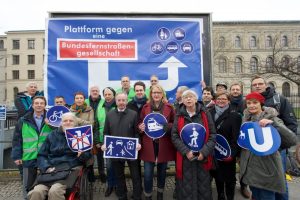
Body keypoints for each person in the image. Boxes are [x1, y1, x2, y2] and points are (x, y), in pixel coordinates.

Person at [240, 92, 297, 200]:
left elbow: (292, 139)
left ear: (261, 103)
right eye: (248, 103)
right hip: (251, 171)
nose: (251, 105)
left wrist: (274, 125)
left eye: (255, 102)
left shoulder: (272, 118)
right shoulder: (246, 119)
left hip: (266, 171)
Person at [27, 112, 92, 200]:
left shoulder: (80, 135)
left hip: (71, 168)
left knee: (55, 190)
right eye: (65, 121)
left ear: (75, 123)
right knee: (36, 191)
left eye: (71, 121)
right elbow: (42, 155)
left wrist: (82, 154)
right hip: (51, 169)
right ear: (61, 123)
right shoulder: (52, 135)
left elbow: (87, 156)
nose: (68, 122)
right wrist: (46, 167)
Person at [171, 89, 216, 200]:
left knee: (203, 188)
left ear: (196, 99)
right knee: (186, 189)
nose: (189, 99)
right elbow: (175, 136)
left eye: (191, 96)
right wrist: (186, 151)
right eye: (186, 97)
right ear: (182, 100)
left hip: (202, 157)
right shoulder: (179, 115)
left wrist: (204, 152)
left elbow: (212, 135)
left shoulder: (205, 114)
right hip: (185, 158)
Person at [101, 92, 142, 200]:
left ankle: (137, 196)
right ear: (116, 101)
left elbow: (137, 132)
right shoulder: (109, 114)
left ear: (127, 101)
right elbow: (106, 132)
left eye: (123, 100)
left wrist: (138, 142)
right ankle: (122, 196)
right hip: (116, 150)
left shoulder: (133, 114)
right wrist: (105, 143)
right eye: (119, 100)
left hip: (130, 149)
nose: (121, 102)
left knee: (135, 175)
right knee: (119, 175)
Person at [12, 96, 53, 199]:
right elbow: (17, 139)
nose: (39, 105)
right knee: (27, 184)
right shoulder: (23, 120)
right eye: (37, 103)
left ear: (45, 105)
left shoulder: (52, 119)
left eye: (41, 103)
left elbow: (58, 135)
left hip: (46, 157)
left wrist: (52, 125)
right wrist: (17, 156)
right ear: (33, 105)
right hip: (28, 157)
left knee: (47, 183)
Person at [138, 85, 176, 200]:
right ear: (151, 94)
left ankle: (160, 194)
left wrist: (167, 126)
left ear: (162, 94)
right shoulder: (145, 107)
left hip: (163, 144)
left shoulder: (170, 107)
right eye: (154, 92)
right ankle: (148, 195)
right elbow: (140, 123)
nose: (156, 94)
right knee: (148, 174)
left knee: (162, 172)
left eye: (158, 92)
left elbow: (175, 124)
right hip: (148, 144)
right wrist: (140, 127)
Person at [209, 92, 242, 200]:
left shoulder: (235, 115)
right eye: (219, 98)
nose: (221, 100)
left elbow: (236, 137)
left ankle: (230, 197)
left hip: (227, 153)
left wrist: (232, 154)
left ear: (228, 101)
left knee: (229, 179)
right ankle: (220, 195)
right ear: (215, 100)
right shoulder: (209, 113)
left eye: (224, 99)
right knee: (218, 177)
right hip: (213, 151)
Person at [94, 87, 117, 197]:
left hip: (117, 140)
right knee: (109, 165)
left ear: (113, 95)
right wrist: (98, 140)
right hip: (105, 141)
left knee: (117, 165)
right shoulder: (100, 106)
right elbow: (97, 125)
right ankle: (110, 185)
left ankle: (117, 185)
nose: (107, 96)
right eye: (106, 94)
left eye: (109, 94)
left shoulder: (117, 105)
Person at [85, 85, 107, 183]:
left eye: (96, 91)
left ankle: (102, 174)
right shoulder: (85, 102)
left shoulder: (104, 102)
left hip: (99, 132)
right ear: (90, 92)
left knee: (100, 156)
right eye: (93, 90)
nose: (95, 92)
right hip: (87, 133)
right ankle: (91, 176)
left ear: (99, 92)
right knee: (89, 156)